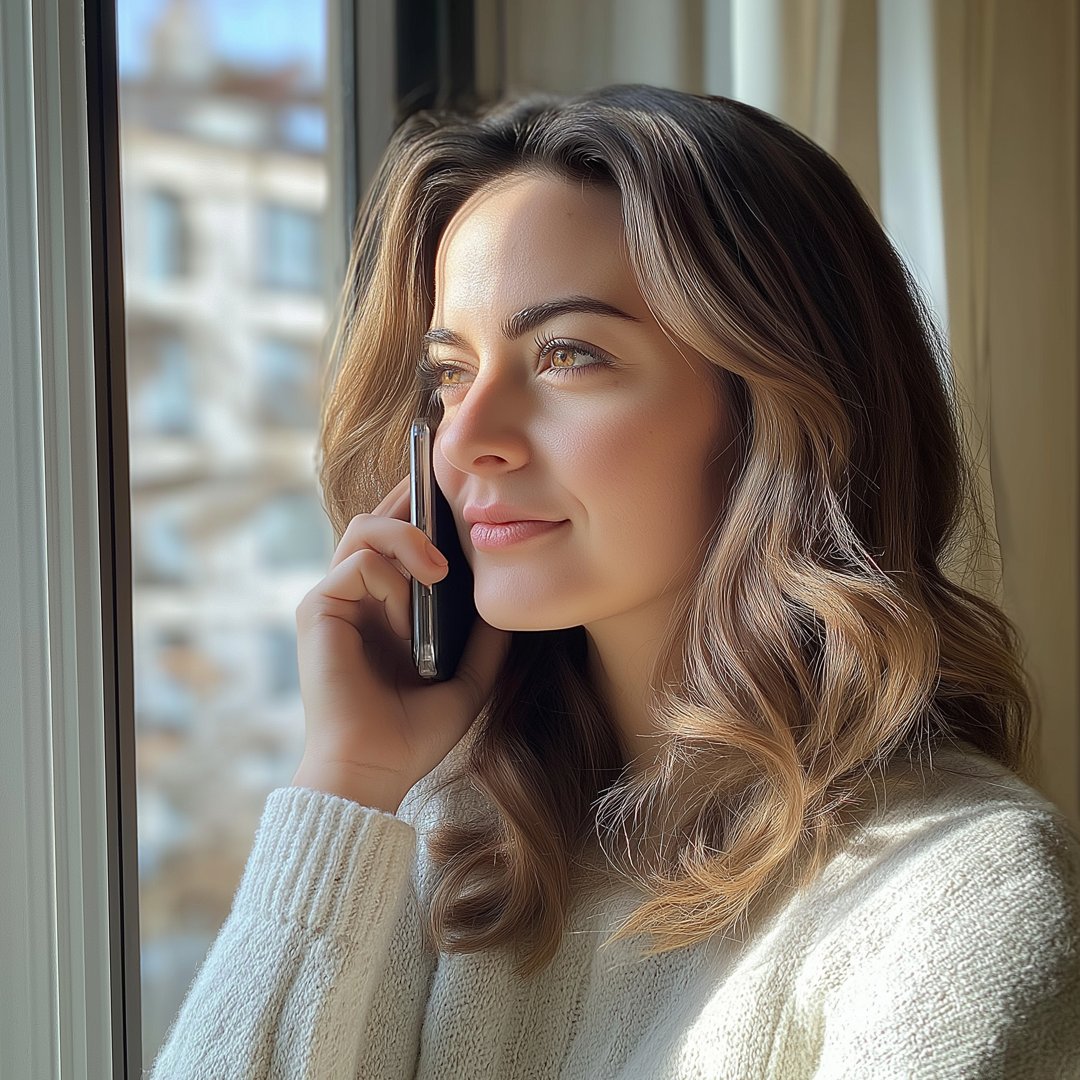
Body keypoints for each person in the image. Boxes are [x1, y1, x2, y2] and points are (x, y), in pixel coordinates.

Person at [148, 84, 1080, 1079]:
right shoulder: (433, 841)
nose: (466, 442)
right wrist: (349, 781)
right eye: (450, 374)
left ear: (772, 413)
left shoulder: (958, 895)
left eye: (567, 355)